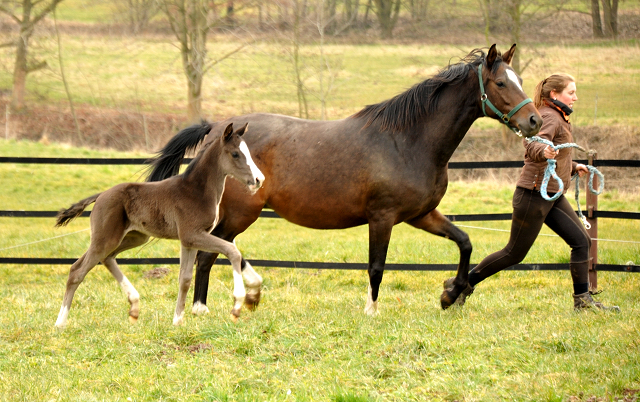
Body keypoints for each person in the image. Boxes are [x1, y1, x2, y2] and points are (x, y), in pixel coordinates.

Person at [443, 73, 619, 312]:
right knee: (513, 253)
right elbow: (532, 143)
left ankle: (583, 301)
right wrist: (543, 151)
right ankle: (460, 285)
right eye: (571, 92)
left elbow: (557, 150)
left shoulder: (558, 116)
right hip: (534, 195)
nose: (575, 97)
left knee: (581, 241)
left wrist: (573, 166)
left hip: (552, 195)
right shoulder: (549, 116)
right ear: (554, 94)